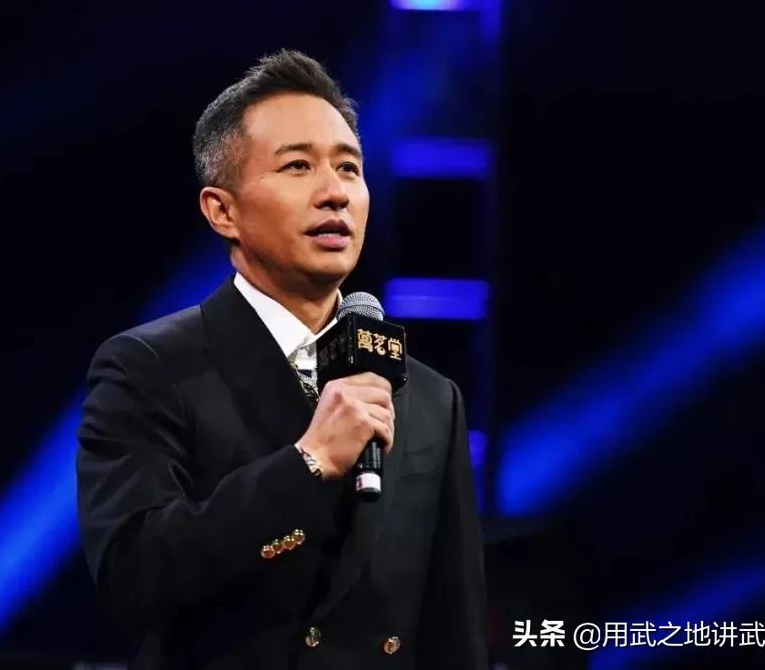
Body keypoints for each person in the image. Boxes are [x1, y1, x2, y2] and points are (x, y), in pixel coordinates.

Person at [77, 50, 486, 669]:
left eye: (349, 168)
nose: (334, 193)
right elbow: (133, 576)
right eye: (298, 166)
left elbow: (452, 631)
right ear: (223, 211)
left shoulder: (431, 397)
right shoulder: (150, 367)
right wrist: (308, 463)